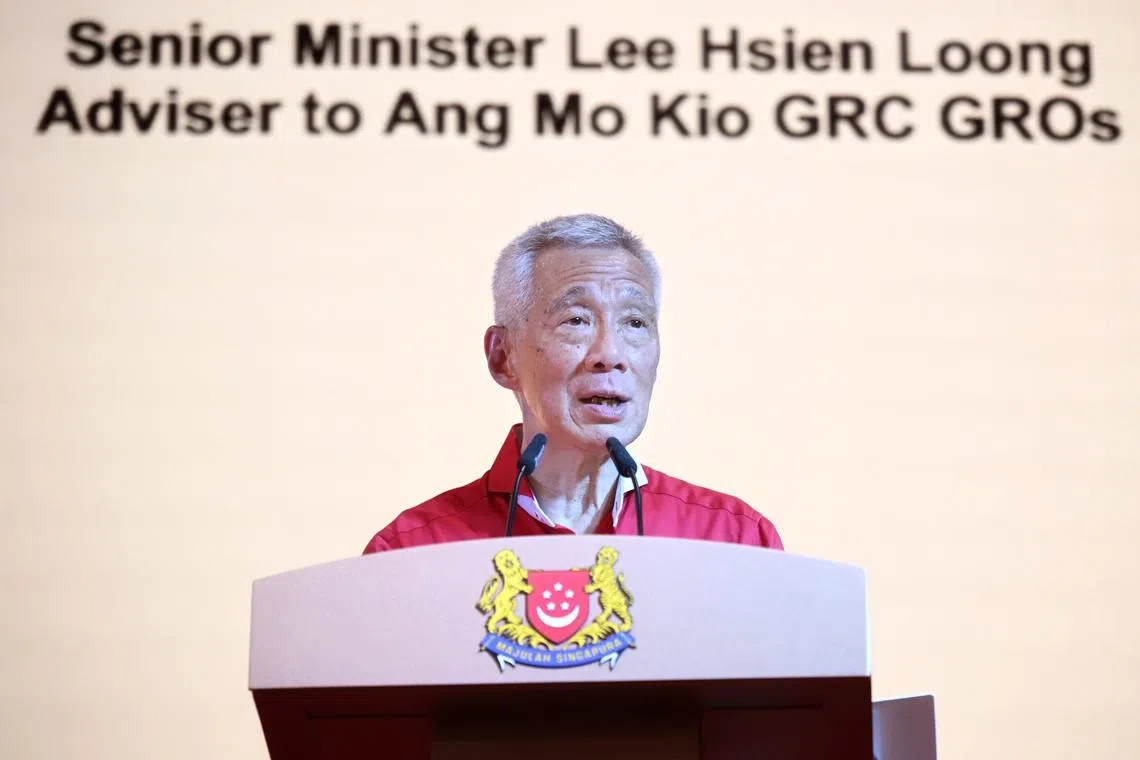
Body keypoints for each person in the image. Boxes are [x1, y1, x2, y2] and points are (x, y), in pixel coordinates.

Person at [362, 213, 783, 553]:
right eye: (577, 321)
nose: (611, 354)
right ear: (502, 356)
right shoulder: (412, 553)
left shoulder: (733, 541)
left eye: (635, 323)